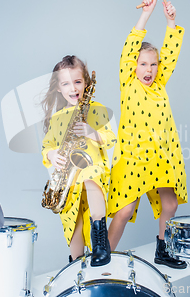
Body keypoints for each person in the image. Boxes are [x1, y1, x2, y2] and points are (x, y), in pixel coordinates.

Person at [107, 0, 188, 269]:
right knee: (125, 210)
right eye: (143, 64)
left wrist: (171, 21)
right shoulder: (128, 83)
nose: (149, 70)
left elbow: (171, 54)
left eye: (153, 65)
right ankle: (102, 256)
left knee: (171, 205)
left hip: (162, 156)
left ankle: (163, 250)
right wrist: (146, 14)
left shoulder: (159, 84)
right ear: (134, 67)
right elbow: (129, 49)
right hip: (133, 157)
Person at [41, 55, 116, 266]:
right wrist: (52, 155)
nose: (73, 88)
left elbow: (111, 139)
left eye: (78, 81)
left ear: (86, 83)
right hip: (68, 180)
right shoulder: (57, 118)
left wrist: (92, 132)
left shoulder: (98, 109)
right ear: (58, 87)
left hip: (92, 170)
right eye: (66, 83)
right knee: (73, 223)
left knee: (90, 177)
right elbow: (47, 146)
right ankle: (75, 266)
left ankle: (100, 242)